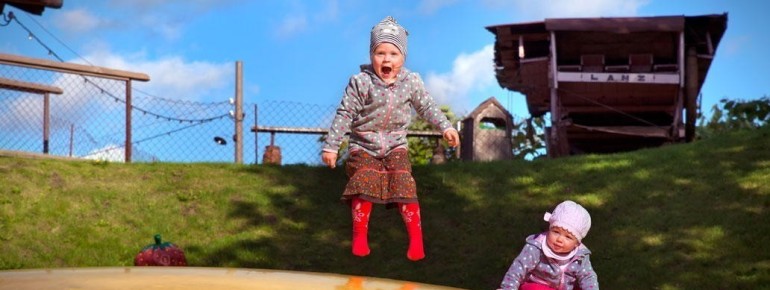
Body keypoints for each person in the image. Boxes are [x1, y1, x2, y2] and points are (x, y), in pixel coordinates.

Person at [322, 16, 460, 261]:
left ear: (403, 57)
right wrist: (332, 146)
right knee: (363, 182)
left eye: (393, 54)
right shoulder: (361, 82)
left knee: (404, 183)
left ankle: (416, 242)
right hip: (363, 144)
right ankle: (359, 237)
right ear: (371, 55)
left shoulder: (411, 82)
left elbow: (428, 107)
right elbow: (345, 113)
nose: (386, 59)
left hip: (396, 145)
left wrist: (446, 127)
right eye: (380, 53)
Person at [499, 200, 599, 290]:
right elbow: (517, 269)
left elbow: (587, 276)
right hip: (538, 285)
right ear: (549, 228)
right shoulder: (536, 247)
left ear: (577, 243)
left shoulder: (580, 256)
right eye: (556, 232)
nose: (559, 239)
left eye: (568, 237)